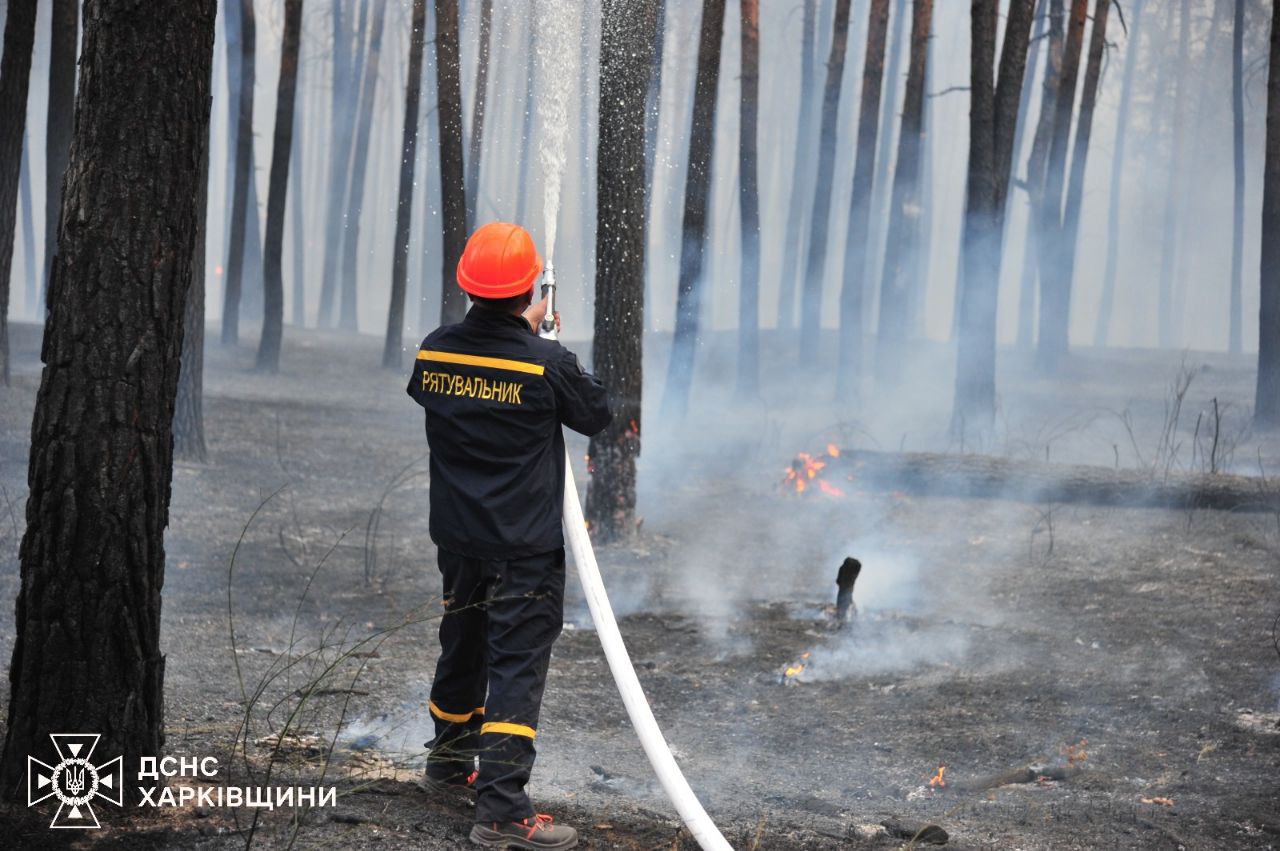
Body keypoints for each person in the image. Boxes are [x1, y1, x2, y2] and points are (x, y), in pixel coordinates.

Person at [407, 222, 611, 850]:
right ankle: (500, 812)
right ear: (530, 293)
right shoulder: (547, 363)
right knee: (516, 665)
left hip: (459, 538)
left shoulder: (435, 351)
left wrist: (523, 341)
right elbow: (595, 414)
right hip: (522, 548)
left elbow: (439, 392)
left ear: (467, 285)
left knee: (462, 644)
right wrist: (547, 344)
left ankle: (447, 760)